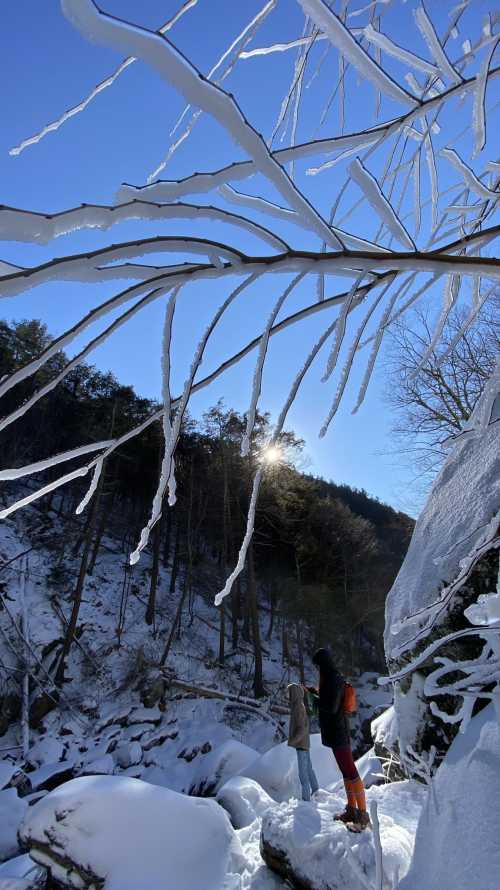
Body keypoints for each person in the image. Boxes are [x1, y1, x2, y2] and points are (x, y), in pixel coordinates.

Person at [311, 648, 370, 830]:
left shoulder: (333, 680)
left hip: (339, 732)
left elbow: (331, 706)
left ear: (323, 664)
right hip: (336, 731)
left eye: (317, 666)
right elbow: (328, 699)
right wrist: (314, 692)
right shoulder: (331, 679)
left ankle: (363, 815)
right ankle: (352, 810)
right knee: (346, 772)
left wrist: (315, 698)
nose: (316, 669)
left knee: (351, 771)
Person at [287, 682, 319, 802]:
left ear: (293, 693)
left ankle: (306, 800)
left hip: (301, 744)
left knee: (303, 775)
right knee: (309, 769)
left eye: (289, 692)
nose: (287, 695)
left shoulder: (298, 707)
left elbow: (302, 728)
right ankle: (316, 791)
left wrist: (293, 740)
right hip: (304, 743)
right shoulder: (299, 705)